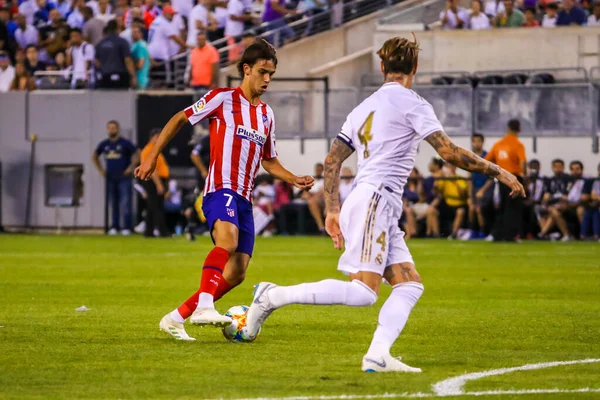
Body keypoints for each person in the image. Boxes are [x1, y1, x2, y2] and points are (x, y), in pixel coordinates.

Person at [245, 35, 525, 372]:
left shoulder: (363, 107)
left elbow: (332, 160)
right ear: (415, 69)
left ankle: (378, 355)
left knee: (409, 284)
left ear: (381, 67)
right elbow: (448, 152)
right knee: (364, 291)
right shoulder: (413, 103)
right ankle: (272, 296)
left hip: (373, 201)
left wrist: (333, 210)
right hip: (376, 199)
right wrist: (500, 172)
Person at [135, 38, 314, 340]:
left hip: (245, 197)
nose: (267, 79)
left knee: (237, 272)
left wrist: (292, 177)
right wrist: (152, 155)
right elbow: (181, 118)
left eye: (271, 74)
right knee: (227, 241)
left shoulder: (266, 115)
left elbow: (269, 160)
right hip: (220, 188)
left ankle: (176, 317)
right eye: (262, 72)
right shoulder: (222, 98)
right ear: (246, 69)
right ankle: (205, 306)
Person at [93, 120, 139, 235]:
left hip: (124, 176)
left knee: (125, 202)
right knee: (113, 202)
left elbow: (138, 153)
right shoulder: (104, 144)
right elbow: (94, 156)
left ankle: (127, 227)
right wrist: (101, 170)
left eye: (113, 128)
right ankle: (114, 226)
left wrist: (131, 167)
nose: (111, 130)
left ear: (118, 129)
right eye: (109, 128)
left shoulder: (125, 143)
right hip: (110, 177)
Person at [485, 119, 526, 242]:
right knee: (513, 207)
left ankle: (497, 234)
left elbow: (487, 160)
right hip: (514, 178)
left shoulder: (498, 144)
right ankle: (511, 235)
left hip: (502, 178)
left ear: (507, 129)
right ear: (518, 130)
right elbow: (523, 162)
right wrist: (524, 176)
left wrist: (494, 173)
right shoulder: (518, 144)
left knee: (502, 207)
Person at [140, 129, 170, 237]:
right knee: (157, 207)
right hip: (152, 181)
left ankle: (149, 231)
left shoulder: (156, 150)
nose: (159, 139)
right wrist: (159, 184)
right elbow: (153, 170)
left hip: (158, 180)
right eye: (157, 137)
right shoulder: (148, 150)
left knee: (152, 207)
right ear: (152, 137)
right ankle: (163, 231)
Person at [95, 20, 137, 89]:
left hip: (104, 77)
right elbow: (127, 60)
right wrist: (133, 76)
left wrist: (104, 67)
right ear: (117, 28)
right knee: (120, 98)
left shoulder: (100, 43)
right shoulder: (122, 42)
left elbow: (96, 60)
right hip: (120, 77)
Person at [469, 133, 494, 238]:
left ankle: (483, 231)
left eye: (478, 141)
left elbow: (491, 178)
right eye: (474, 141)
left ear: (482, 142)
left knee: (478, 209)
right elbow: (469, 178)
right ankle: (473, 231)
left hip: (485, 189)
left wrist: (482, 191)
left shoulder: (488, 157)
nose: (476, 144)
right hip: (475, 188)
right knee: (471, 208)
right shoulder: (470, 156)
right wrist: (469, 196)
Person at [131, 24, 150, 89]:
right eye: (133, 32)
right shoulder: (136, 44)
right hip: (140, 78)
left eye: (136, 32)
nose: (134, 34)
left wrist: (131, 70)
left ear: (141, 34)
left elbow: (140, 64)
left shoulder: (141, 45)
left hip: (140, 79)